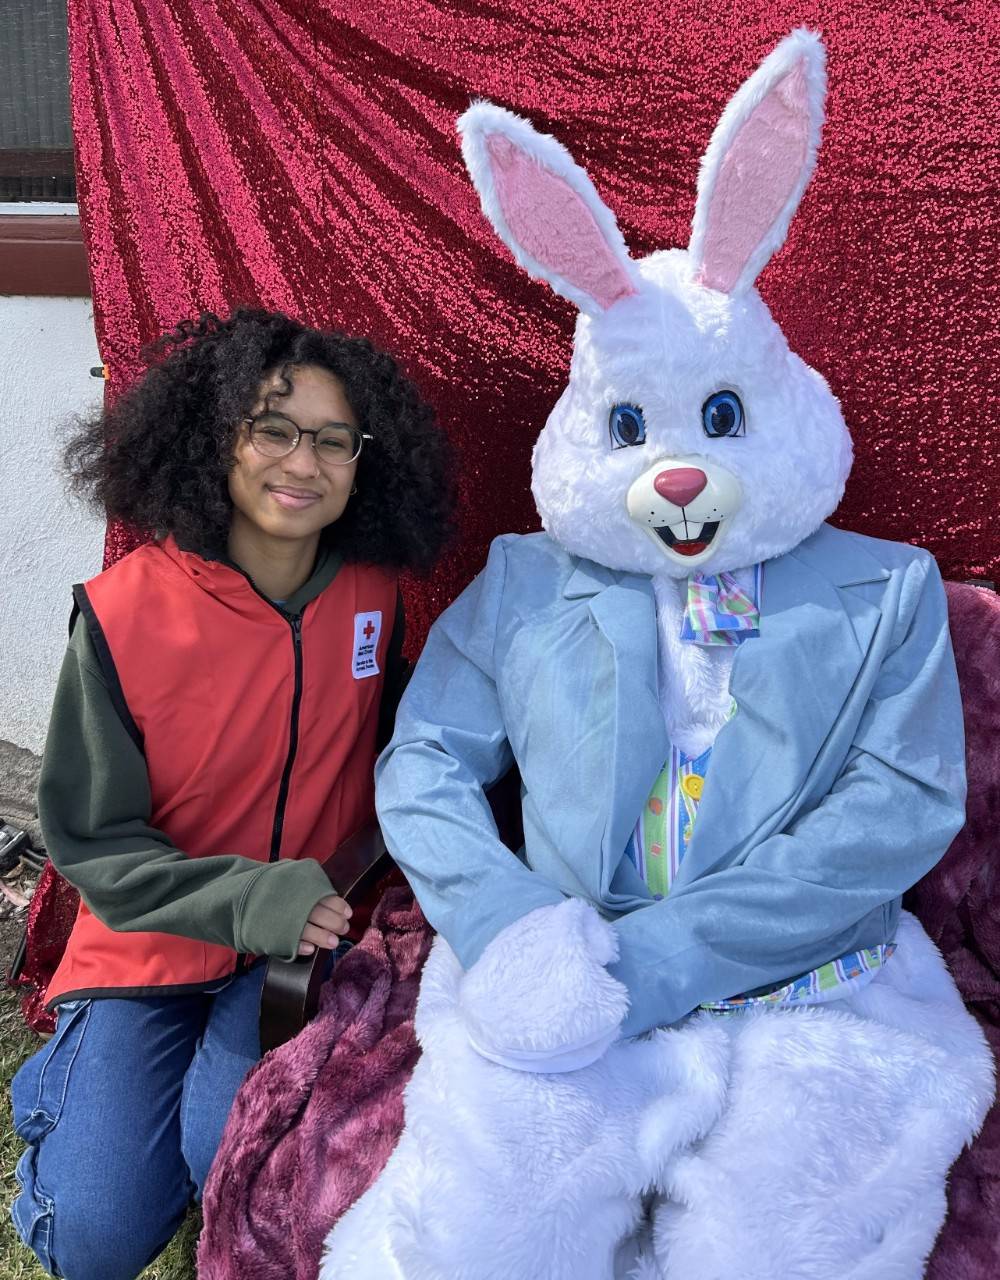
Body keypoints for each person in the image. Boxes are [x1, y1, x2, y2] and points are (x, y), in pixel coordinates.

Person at [9, 308, 454, 1280]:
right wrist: (252, 895)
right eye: (274, 428)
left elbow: (399, 739)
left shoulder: (373, 589)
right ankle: (75, 1086)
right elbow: (91, 841)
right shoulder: (125, 612)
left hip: (299, 946)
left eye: (335, 438)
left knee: (233, 1159)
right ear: (216, 438)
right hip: (150, 942)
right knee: (93, 1234)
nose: (305, 460)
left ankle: (165, 1118)